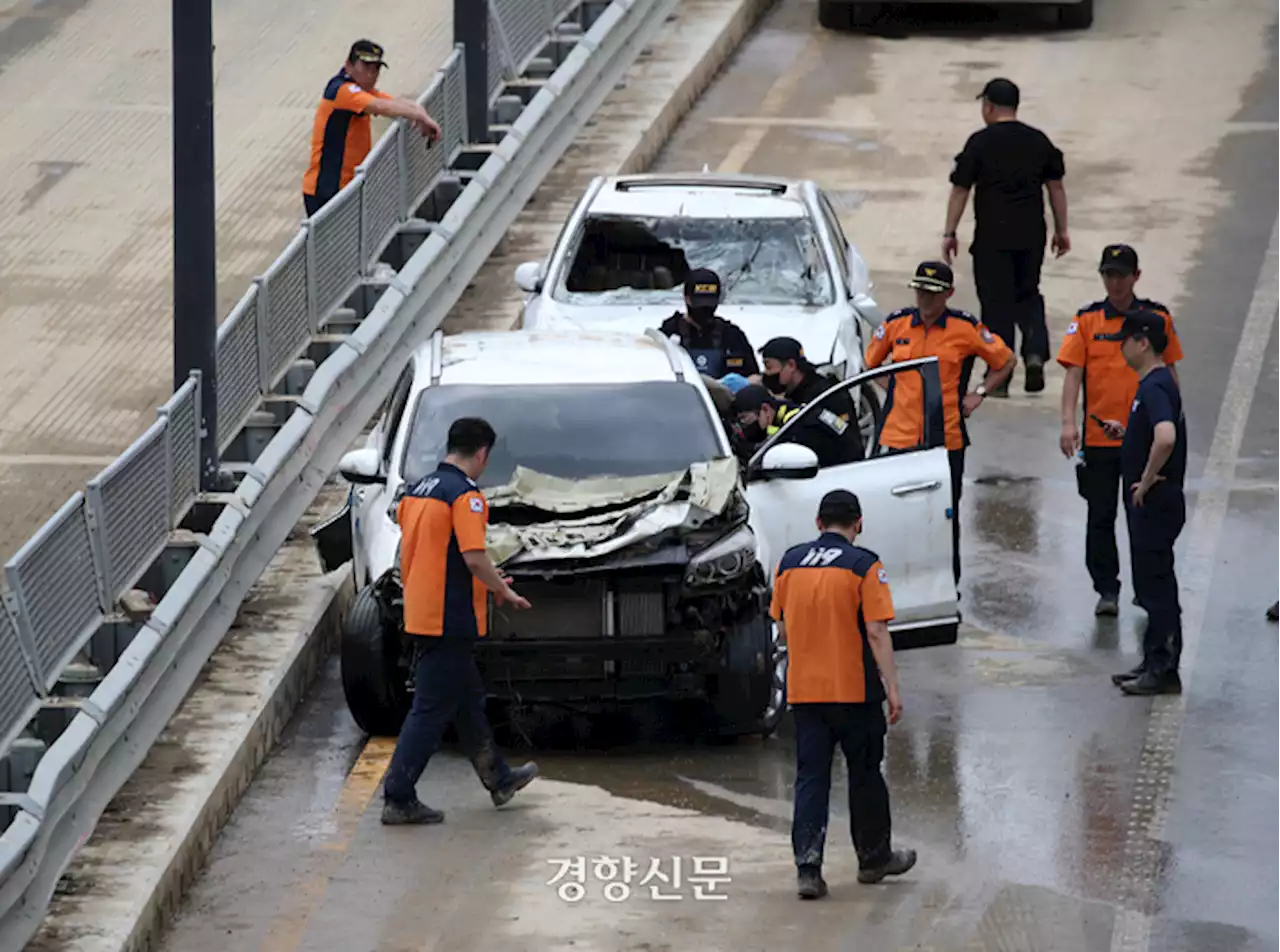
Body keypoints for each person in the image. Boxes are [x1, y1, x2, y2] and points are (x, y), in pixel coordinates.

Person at [381, 417, 539, 824]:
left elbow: (434, 554)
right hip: (450, 618)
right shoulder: (466, 497)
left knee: (468, 702)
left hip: (422, 610)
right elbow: (472, 556)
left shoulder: (418, 491)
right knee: (430, 709)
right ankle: (398, 796)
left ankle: (499, 778)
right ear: (482, 453)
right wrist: (502, 590)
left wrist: (486, 578)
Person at [770, 490, 917, 899]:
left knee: (811, 778)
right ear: (859, 523)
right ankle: (873, 860)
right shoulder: (863, 565)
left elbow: (781, 628)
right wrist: (893, 687)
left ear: (818, 523)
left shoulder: (789, 563)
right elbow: (875, 631)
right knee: (865, 774)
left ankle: (808, 869)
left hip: (806, 694)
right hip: (854, 692)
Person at [863, 261, 1015, 586]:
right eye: (921, 291)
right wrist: (895, 391)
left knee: (944, 517)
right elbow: (870, 362)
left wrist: (979, 392)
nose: (925, 299)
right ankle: (899, 581)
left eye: (933, 293)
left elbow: (1005, 361)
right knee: (896, 514)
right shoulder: (896, 324)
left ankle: (946, 587)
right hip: (899, 438)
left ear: (948, 294)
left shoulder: (964, 328)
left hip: (946, 440)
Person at [1057, 244, 1184, 616]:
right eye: (1108, 275)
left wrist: (1174, 416)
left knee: (1142, 516)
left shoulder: (1157, 319)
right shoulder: (1088, 320)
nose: (1114, 282)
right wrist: (1068, 423)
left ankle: (1146, 589)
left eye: (1121, 275)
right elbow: (1073, 374)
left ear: (1136, 277)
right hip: (1099, 438)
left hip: (1143, 437)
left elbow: (1169, 369)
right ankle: (1106, 589)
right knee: (1100, 516)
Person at [942, 77, 1069, 395]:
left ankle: (1000, 372)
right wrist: (1062, 229)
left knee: (996, 301)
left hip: (992, 236)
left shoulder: (980, 143)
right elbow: (1056, 187)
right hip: (1031, 234)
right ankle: (1035, 352)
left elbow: (961, 189)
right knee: (1028, 293)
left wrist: (950, 232)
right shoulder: (1038, 141)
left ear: (988, 106)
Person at [1096, 312, 1188, 696]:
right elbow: (1156, 431)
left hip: (1155, 502)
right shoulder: (1156, 382)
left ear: (1143, 342)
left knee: (1156, 586)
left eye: (1126, 339)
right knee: (1151, 583)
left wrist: (1146, 479)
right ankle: (1153, 659)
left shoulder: (1153, 385)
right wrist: (1128, 432)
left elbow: (1165, 438)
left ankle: (1164, 669)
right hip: (1157, 503)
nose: (1121, 345)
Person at [303, 40, 442, 217]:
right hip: (326, 190)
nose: (372, 73)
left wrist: (420, 113)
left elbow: (393, 103)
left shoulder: (361, 90)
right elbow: (381, 107)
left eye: (376, 68)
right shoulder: (342, 90)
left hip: (347, 187)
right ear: (349, 65)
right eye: (366, 66)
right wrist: (420, 117)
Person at [758, 337, 863, 465]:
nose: (766, 374)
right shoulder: (790, 394)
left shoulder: (827, 395)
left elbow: (846, 443)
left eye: (769, 367)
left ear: (791, 365)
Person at [659, 269, 760, 379]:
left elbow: (754, 376)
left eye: (710, 304)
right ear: (687, 299)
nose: (705, 309)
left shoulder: (732, 336)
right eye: (701, 304)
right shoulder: (667, 333)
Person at [731, 383, 800, 446]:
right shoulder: (776, 421)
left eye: (744, 418)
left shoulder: (794, 422)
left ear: (765, 409)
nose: (743, 425)